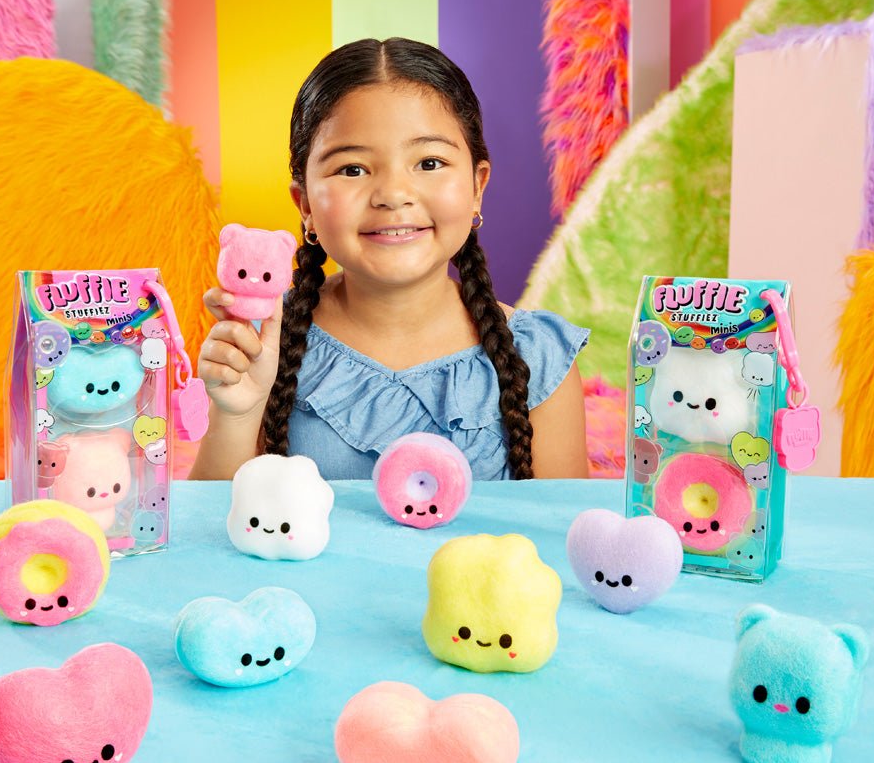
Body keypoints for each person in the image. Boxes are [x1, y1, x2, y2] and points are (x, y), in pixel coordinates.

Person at [189, 37, 589, 482]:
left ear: (477, 186)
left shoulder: (538, 356)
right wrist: (237, 414)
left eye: (429, 163)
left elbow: (560, 523)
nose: (394, 195)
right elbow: (213, 520)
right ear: (305, 205)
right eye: (352, 169)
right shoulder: (265, 343)